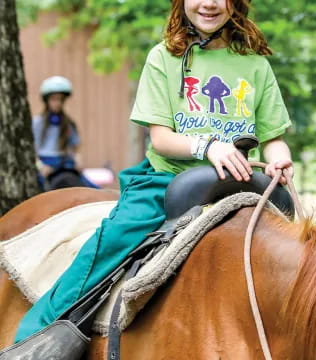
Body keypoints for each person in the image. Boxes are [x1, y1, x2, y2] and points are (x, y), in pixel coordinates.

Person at [14, 0, 293, 342]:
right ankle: (35, 337)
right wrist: (207, 146)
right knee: (113, 241)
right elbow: (160, 138)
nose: (209, 3)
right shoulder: (164, 57)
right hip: (166, 182)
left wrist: (280, 159)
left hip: (237, 185)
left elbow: (273, 139)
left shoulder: (255, 65)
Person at [32, 76, 98, 190]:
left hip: (64, 163)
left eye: (60, 99)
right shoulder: (37, 123)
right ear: (46, 100)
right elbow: (32, 150)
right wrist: (41, 166)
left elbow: (76, 147)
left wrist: (78, 161)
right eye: (54, 99)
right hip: (45, 164)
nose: (57, 103)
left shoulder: (68, 124)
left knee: (93, 189)